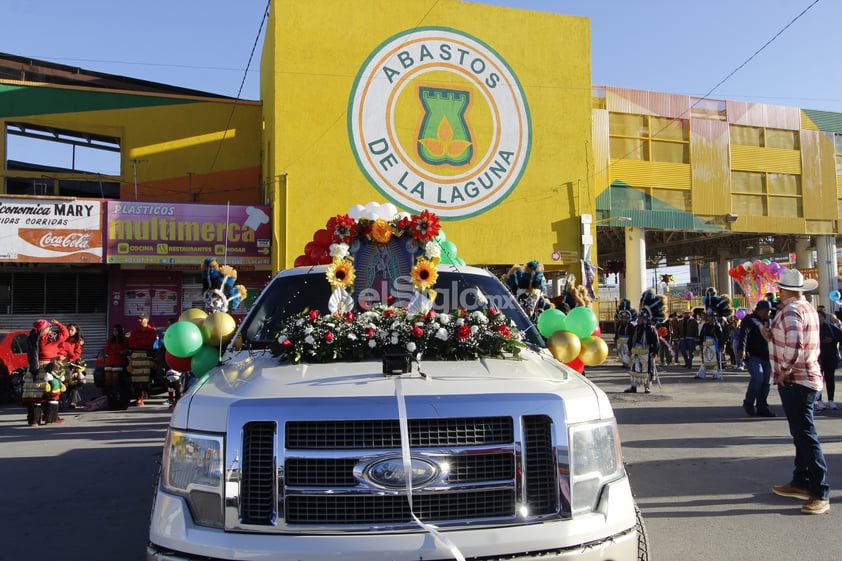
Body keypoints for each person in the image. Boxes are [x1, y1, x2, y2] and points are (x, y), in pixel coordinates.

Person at [765, 268, 830, 515]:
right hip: (808, 376)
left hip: (797, 379)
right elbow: (795, 337)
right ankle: (801, 481)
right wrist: (771, 335)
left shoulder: (790, 310)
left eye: (780, 288)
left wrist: (784, 370)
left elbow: (795, 344)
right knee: (801, 434)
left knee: (805, 435)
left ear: (785, 290)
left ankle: (819, 492)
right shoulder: (807, 308)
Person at [738, 300, 775, 417]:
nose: (769, 312)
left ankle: (762, 407)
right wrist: (741, 349)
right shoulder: (749, 319)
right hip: (752, 354)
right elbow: (744, 334)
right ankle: (749, 402)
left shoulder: (769, 321)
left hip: (767, 355)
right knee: (758, 377)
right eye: (768, 310)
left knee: (766, 381)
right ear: (761, 309)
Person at [624, 289, 664, 394]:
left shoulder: (651, 329)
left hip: (647, 353)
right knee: (634, 370)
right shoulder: (636, 328)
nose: (639, 319)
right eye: (638, 317)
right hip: (636, 352)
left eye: (640, 317)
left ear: (645, 318)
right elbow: (631, 339)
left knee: (647, 370)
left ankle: (647, 387)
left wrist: (654, 353)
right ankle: (633, 387)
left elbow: (656, 342)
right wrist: (629, 349)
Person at [127, 313, 158, 406]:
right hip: (136, 356)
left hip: (147, 355)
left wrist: (139, 343)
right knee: (136, 378)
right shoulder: (135, 331)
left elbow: (149, 343)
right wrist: (142, 344)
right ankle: (138, 397)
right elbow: (131, 343)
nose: (139, 320)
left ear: (146, 320)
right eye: (139, 319)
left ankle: (143, 396)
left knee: (145, 377)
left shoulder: (152, 331)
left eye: (141, 319)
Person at [816, 308, 842, 411]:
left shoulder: (831, 328)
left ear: (824, 318)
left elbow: (840, 336)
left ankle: (831, 400)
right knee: (818, 379)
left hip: (830, 357)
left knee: (830, 379)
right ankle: (819, 400)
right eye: (817, 317)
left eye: (820, 317)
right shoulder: (812, 329)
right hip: (817, 358)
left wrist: (832, 340)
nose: (819, 319)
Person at [58, 322, 86, 408]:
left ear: (76, 331)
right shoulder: (62, 338)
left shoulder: (78, 341)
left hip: (72, 364)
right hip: (61, 363)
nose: (70, 331)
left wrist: (70, 359)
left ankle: (72, 401)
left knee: (73, 384)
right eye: (68, 329)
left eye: (72, 330)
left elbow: (77, 353)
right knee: (61, 383)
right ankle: (60, 401)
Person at [104, 324, 131, 409]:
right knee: (108, 379)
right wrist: (119, 352)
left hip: (120, 361)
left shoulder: (125, 340)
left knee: (115, 378)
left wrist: (120, 352)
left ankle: (115, 394)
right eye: (114, 330)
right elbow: (107, 351)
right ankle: (109, 395)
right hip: (110, 361)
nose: (115, 332)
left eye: (116, 330)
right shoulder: (110, 340)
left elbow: (127, 350)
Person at [695, 310, 725, 380]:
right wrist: (700, 343)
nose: (708, 318)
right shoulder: (705, 325)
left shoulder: (717, 326)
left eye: (710, 317)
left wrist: (721, 345)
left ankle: (715, 374)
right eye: (708, 317)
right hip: (706, 344)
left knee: (713, 359)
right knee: (706, 359)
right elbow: (702, 335)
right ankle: (701, 374)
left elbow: (720, 336)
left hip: (714, 344)